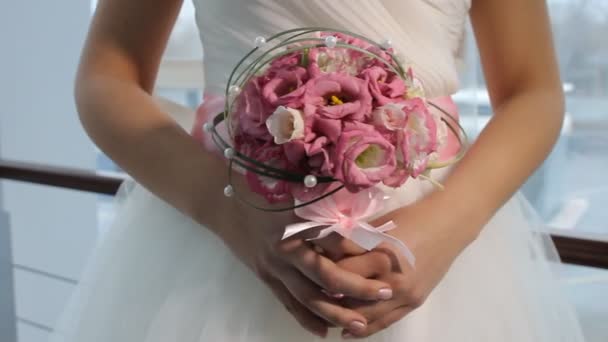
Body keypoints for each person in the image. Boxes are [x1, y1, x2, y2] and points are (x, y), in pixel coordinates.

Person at [50, 0, 586, 341]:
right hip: (229, 237)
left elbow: (531, 91)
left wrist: (441, 233)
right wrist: (229, 213)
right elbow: (108, 74)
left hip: (438, 248)